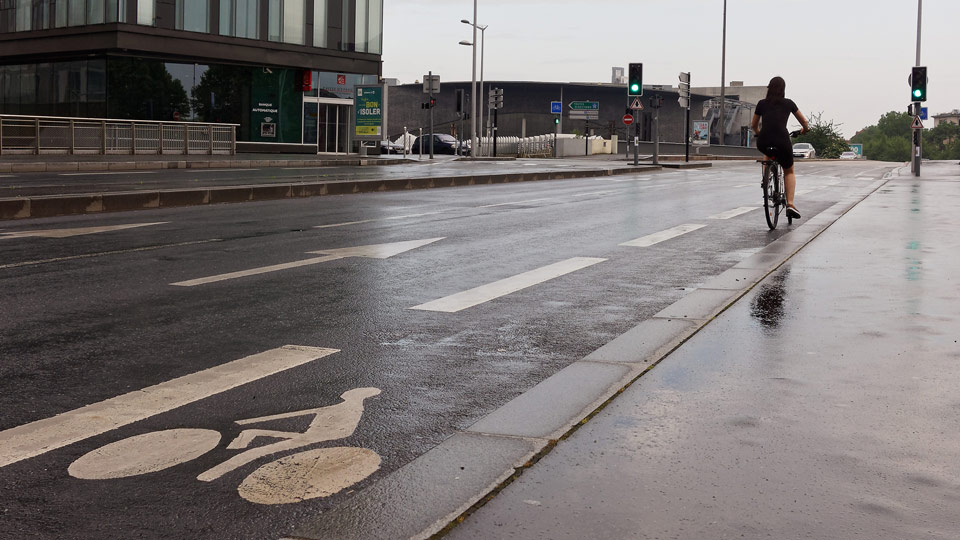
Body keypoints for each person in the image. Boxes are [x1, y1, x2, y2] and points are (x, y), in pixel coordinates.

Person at [751, 76, 810, 219]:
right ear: (783, 89)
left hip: (764, 140)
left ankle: (766, 179)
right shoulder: (788, 103)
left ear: (769, 88)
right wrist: (803, 130)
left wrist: (759, 133)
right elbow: (804, 122)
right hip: (782, 141)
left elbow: (754, 125)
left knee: (767, 150)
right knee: (789, 171)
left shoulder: (761, 104)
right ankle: (790, 204)